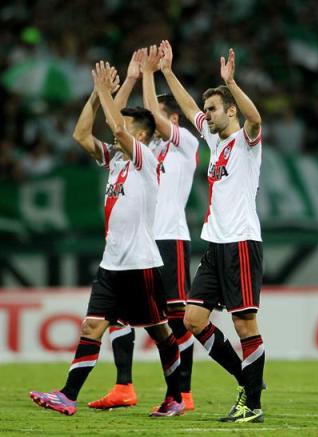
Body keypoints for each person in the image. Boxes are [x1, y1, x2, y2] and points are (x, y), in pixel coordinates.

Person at [29, 61, 184, 417]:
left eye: (126, 129)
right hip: (112, 262)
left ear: (140, 136)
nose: (117, 133)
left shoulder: (146, 158)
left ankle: (175, 396)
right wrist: (101, 94)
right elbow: (81, 135)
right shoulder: (115, 160)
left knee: (161, 332)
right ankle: (68, 395)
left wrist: (108, 89)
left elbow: (118, 128)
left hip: (141, 262)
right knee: (93, 326)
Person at [87, 46, 200, 412]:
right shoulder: (134, 151)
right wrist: (133, 78)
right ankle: (124, 386)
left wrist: (150, 74)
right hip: (139, 241)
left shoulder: (184, 144)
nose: (148, 118)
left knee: (173, 319)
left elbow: (138, 119)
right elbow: (118, 122)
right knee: (119, 314)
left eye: (154, 116)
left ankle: (182, 392)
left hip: (169, 238)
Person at [158, 40, 265, 423]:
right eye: (207, 110)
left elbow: (256, 118)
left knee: (243, 324)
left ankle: (252, 404)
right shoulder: (215, 141)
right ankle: (247, 379)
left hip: (240, 241)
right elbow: (187, 109)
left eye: (213, 109)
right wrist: (168, 72)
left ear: (229, 110)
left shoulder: (245, 142)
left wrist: (232, 83)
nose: (205, 114)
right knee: (193, 320)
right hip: (215, 243)